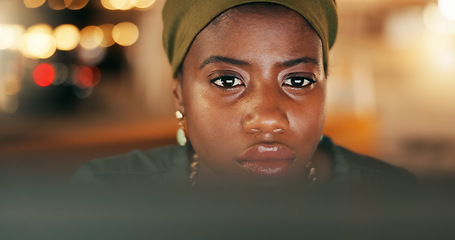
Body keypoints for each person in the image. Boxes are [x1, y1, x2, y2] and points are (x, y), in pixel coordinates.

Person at [71, 0, 416, 189]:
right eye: (226, 81)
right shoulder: (108, 192)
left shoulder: (391, 199)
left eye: (297, 81)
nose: (267, 118)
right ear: (180, 96)